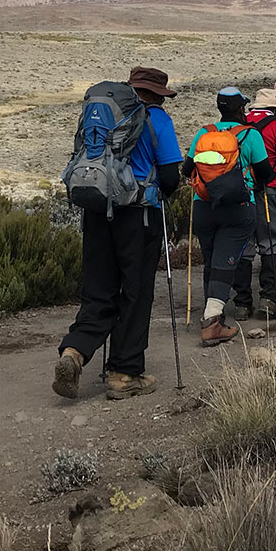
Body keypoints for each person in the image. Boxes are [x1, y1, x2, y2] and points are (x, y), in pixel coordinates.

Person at [54, 67, 183, 401]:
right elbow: (170, 176)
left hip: (97, 211)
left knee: (99, 289)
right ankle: (125, 373)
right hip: (138, 216)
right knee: (134, 292)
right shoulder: (157, 120)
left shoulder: (100, 118)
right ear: (155, 94)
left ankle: (74, 352)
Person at [184, 88, 275, 345]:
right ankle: (212, 323)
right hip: (238, 206)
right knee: (225, 263)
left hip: (203, 205)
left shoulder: (204, 133)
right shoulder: (251, 134)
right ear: (239, 109)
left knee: (212, 260)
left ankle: (211, 314)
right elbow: (266, 173)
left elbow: (187, 169)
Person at [232, 87, 276, 321]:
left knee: (245, 246)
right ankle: (268, 300)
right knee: (273, 243)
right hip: (268, 190)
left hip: (241, 192)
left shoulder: (239, 123)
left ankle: (242, 303)